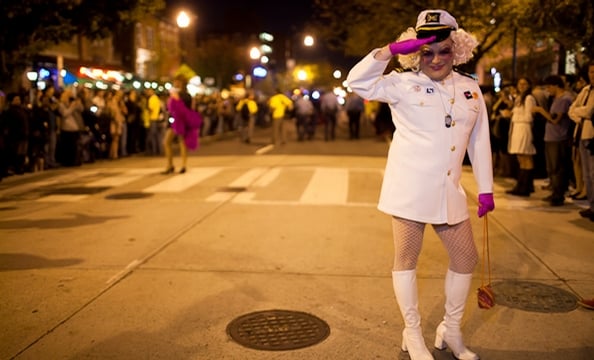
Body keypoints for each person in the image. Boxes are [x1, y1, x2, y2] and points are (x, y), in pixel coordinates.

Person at [346, 9, 493, 360]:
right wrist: (390, 50)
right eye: (427, 52)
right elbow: (356, 83)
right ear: (417, 52)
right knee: (406, 260)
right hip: (409, 191)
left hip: (450, 192)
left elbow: (480, 140)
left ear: (456, 50)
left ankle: (451, 329)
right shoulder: (400, 83)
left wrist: (486, 187)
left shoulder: (470, 87)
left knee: (466, 258)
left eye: (444, 50)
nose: (437, 59)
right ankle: (412, 333)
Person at [532, 75, 574, 206]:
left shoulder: (565, 99)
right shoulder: (556, 99)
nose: (548, 90)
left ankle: (558, 194)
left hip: (558, 137)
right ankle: (555, 192)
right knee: (551, 167)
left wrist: (540, 110)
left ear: (556, 85)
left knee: (557, 167)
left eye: (549, 86)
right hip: (550, 137)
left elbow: (555, 119)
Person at [568, 61, 594, 221]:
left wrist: (582, 112)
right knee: (586, 174)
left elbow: (591, 111)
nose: (592, 75)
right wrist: (582, 114)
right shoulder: (585, 90)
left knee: (592, 172)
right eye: (591, 72)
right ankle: (591, 205)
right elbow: (572, 110)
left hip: (591, 135)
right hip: (581, 133)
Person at [162, 75, 202, 174]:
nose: (175, 83)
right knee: (169, 142)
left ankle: (180, 165)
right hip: (176, 121)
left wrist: (175, 100)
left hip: (181, 122)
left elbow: (185, 109)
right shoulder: (179, 94)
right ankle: (172, 165)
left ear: (181, 83)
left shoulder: (183, 95)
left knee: (180, 142)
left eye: (177, 82)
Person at [506, 77, 537, 196]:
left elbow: (529, 117)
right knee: (520, 157)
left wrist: (515, 117)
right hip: (517, 129)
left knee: (526, 157)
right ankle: (522, 185)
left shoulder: (529, 98)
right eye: (520, 84)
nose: (522, 86)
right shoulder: (519, 98)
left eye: (524, 84)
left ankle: (525, 186)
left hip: (524, 128)